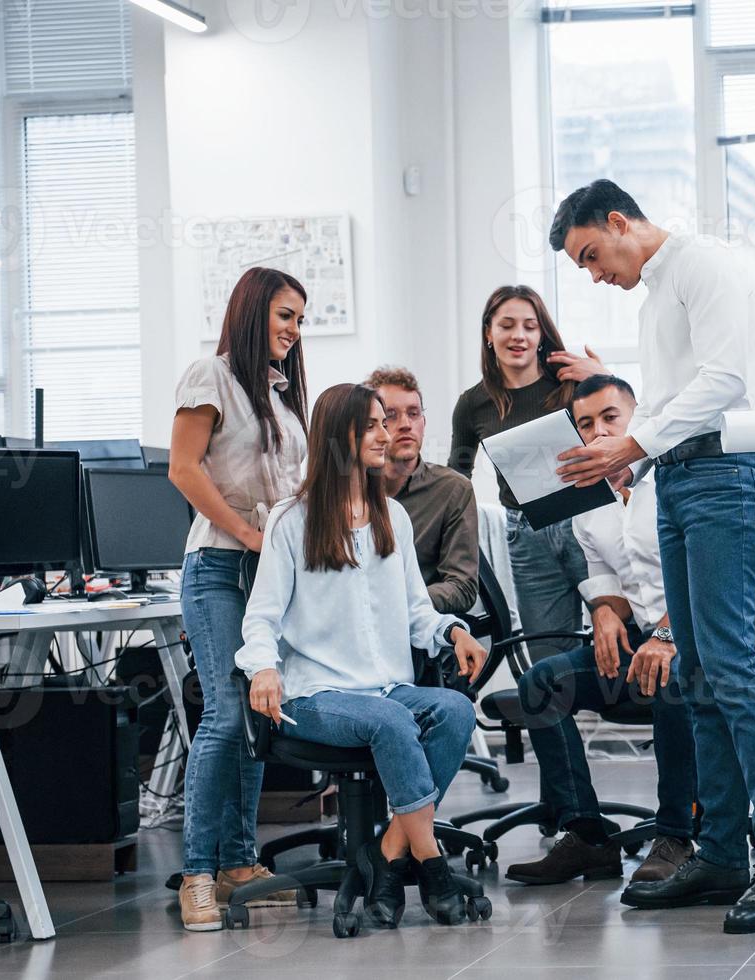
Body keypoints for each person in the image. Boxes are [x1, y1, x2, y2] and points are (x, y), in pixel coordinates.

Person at [549, 179, 755, 934]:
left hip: (725, 474)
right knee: (696, 676)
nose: (594, 273)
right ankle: (723, 853)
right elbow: (671, 401)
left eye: (593, 254)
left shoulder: (706, 266)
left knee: (728, 666)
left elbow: (726, 381)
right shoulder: (657, 295)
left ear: (620, 221)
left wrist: (636, 439)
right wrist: (627, 454)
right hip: (681, 476)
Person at [236, 382, 491, 928]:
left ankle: (388, 856)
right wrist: (261, 666)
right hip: (315, 695)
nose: (386, 434)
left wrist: (453, 632)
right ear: (338, 436)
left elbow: (419, 612)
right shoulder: (292, 520)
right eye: (372, 424)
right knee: (393, 720)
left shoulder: (390, 517)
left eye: (387, 422)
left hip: (387, 689)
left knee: (454, 710)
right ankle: (433, 868)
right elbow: (261, 616)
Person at [504, 374, 697, 888]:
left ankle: (677, 833)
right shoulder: (586, 497)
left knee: (676, 678)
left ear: (638, 418)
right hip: (635, 641)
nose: (596, 432)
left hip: (694, 638)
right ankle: (586, 835)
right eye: (585, 423)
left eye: (610, 417)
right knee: (542, 682)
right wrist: (605, 610)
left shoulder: (676, 479)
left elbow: (707, 577)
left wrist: (664, 637)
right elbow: (602, 571)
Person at [168, 267, 309, 932]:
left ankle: (239, 865)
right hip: (219, 567)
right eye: (285, 315)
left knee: (257, 712)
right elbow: (184, 469)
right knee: (226, 714)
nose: (293, 330)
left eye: (301, 319)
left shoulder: (280, 399)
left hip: (266, 576)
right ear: (254, 312)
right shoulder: (211, 376)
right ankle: (197, 873)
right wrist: (251, 534)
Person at [448, 286, 604, 657]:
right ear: (489, 332)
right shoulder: (473, 404)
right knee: (548, 660)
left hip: (590, 523)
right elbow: (456, 476)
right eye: (507, 325)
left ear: (540, 335)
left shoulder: (571, 384)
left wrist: (602, 375)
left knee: (621, 636)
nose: (519, 335)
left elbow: (628, 429)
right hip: (527, 533)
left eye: (530, 326)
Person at [364, 366, 479, 615]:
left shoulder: (452, 489)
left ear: (424, 423)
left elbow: (462, 587)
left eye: (413, 414)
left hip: (419, 627)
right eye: (391, 415)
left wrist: (399, 602)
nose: (405, 424)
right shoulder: (351, 490)